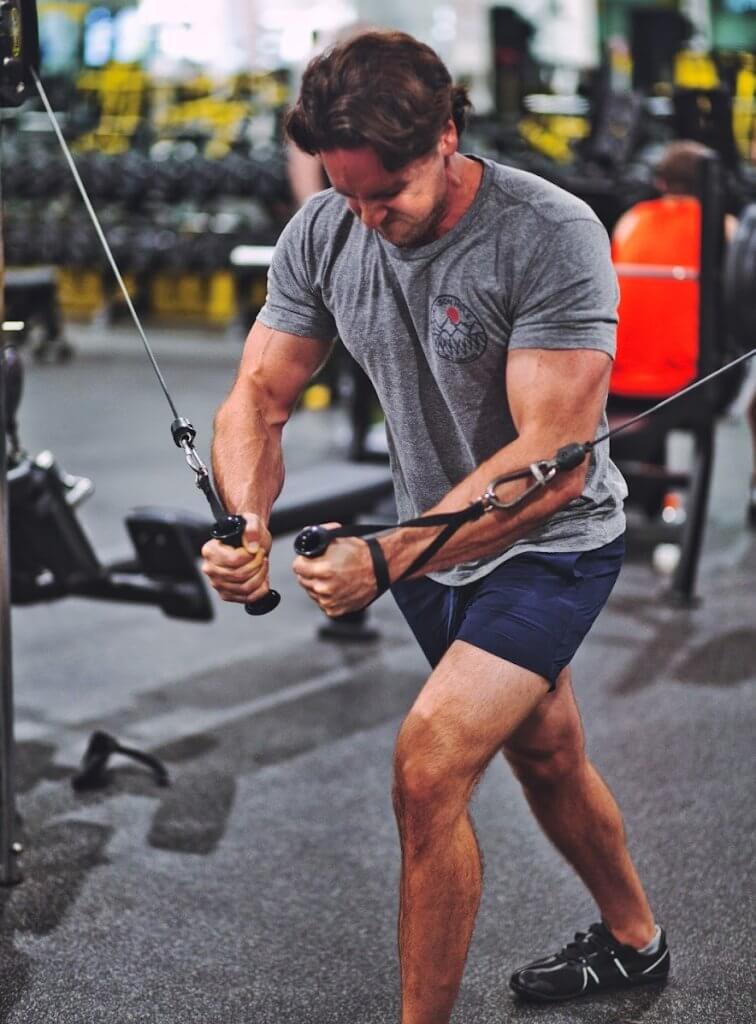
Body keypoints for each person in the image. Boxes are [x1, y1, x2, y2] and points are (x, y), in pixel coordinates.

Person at [201, 30, 669, 1021]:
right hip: (426, 544)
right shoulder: (329, 227)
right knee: (545, 749)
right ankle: (637, 941)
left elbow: (552, 462)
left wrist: (385, 556)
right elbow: (258, 394)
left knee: (430, 763)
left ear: (447, 136)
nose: (366, 221)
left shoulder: (550, 233)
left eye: (389, 196)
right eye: (347, 193)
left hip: (552, 543)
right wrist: (244, 518)